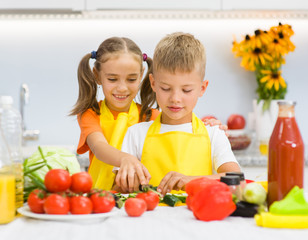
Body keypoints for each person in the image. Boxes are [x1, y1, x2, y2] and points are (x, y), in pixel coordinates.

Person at [70, 37, 227, 193]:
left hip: (131, 195)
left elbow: (181, 125)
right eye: (112, 79)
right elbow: (99, 147)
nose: (122, 88)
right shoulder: (90, 114)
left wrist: (211, 126)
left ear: (141, 76)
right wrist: (126, 159)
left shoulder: (150, 116)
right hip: (101, 194)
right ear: (97, 76)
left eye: (131, 79)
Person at [120, 32, 241, 195]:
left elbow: (237, 179)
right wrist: (128, 183)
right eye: (166, 88)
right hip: (149, 218)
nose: (175, 98)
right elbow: (120, 189)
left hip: (197, 217)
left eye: (186, 90)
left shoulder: (213, 133)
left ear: (202, 88)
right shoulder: (135, 134)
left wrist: (191, 180)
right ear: (153, 83)